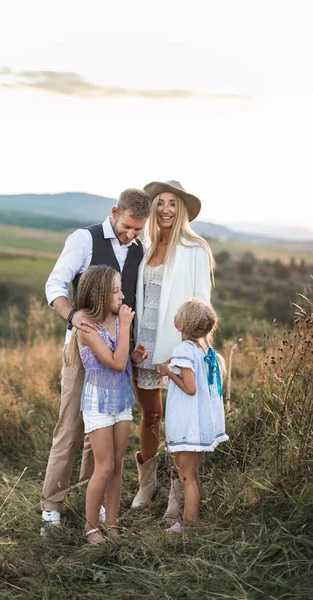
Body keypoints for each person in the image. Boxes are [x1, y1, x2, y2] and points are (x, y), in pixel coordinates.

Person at [41, 187, 151, 528]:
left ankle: (95, 505)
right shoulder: (84, 239)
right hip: (84, 349)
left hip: (118, 354)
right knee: (71, 428)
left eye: (138, 229)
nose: (130, 234)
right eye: (127, 226)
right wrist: (73, 315)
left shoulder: (139, 251)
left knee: (100, 434)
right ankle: (52, 506)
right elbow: (55, 286)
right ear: (115, 211)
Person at [131, 179, 215, 522]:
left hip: (176, 349)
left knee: (178, 423)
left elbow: (202, 306)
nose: (165, 209)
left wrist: (188, 351)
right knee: (150, 416)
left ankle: (176, 496)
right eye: (160, 202)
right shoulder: (143, 245)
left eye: (172, 203)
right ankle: (145, 486)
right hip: (142, 346)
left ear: (181, 209)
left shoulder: (196, 249)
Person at [71, 265, 148, 543]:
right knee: (103, 467)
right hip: (98, 402)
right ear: (100, 294)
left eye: (120, 289)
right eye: (115, 291)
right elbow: (114, 363)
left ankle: (112, 524)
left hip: (120, 400)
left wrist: (134, 358)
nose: (122, 295)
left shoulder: (117, 320)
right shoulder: (87, 329)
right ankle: (91, 527)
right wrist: (127, 328)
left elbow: (122, 361)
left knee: (117, 466)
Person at [159, 297, 228, 533]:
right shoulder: (203, 349)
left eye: (177, 312)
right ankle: (191, 521)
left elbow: (189, 388)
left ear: (181, 325)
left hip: (189, 426)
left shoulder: (184, 349)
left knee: (186, 477)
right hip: (200, 424)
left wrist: (168, 372)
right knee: (193, 475)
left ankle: (187, 528)